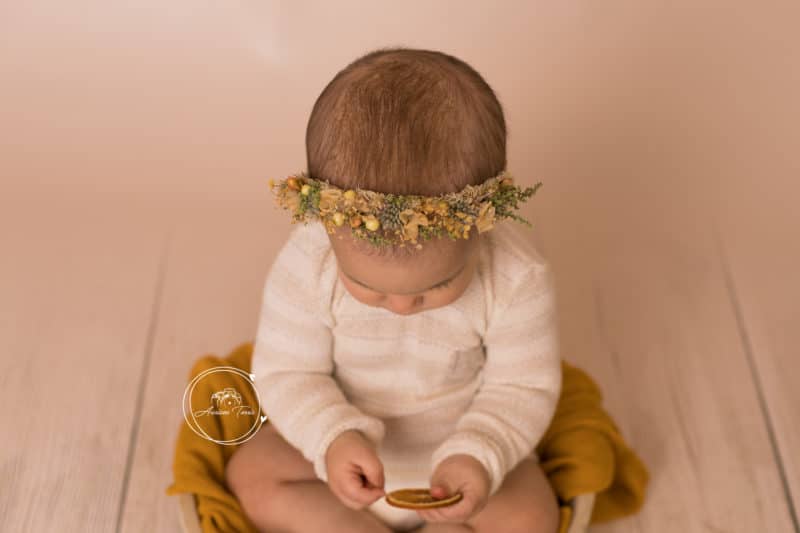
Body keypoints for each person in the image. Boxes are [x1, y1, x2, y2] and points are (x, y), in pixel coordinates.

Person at [225, 46, 562, 533]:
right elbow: (287, 372)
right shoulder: (307, 262)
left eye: (440, 283)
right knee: (252, 471)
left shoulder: (517, 276)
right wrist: (331, 437)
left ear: (483, 225)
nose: (403, 308)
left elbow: (523, 386)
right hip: (340, 463)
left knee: (531, 515)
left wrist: (479, 455)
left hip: (463, 464)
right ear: (328, 226)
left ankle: (448, 524)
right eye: (367, 286)